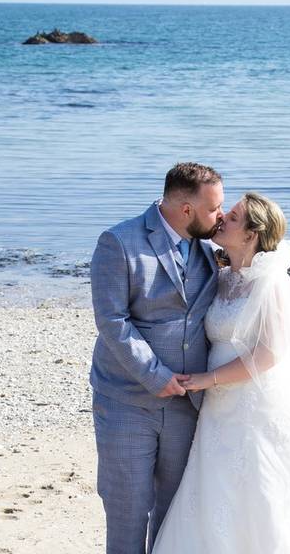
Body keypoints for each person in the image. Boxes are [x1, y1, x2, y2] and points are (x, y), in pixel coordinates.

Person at [151, 192, 290, 553]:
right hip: (219, 407)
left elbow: (269, 353)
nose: (223, 217)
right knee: (218, 488)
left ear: (251, 234)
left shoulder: (272, 282)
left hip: (255, 401)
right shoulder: (223, 276)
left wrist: (204, 380)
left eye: (235, 216)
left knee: (266, 488)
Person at [89, 162, 224, 554]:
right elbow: (112, 321)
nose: (220, 216)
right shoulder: (118, 241)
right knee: (128, 511)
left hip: (189, 402)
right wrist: (155, 375)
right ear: (186, 210)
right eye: (214, 208)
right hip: (128, 400)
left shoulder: (210, 247)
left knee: (176, 515)